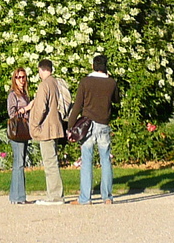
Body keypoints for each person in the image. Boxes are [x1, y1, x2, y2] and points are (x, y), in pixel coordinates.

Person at [69, 53, 121, 204]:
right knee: (106, 160)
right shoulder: (111, 83)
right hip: (103, 124)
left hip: (88, 125)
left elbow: (78, 105)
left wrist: (70, 126)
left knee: (87, 160)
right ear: (105, 67)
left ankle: (85, 198)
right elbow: (117, 100)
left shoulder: (85, 82)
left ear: (93, 66)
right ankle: (107, 197)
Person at [27, 58, 70, 205]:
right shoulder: (56, 83)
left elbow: (41, 108)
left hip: (46, 129)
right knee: (53, 161)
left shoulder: (44, 85)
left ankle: (55, 196)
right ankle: (55, 194)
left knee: (50, 163)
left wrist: (34, 125)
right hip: (56, 126)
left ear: (41, 70)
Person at [6, 67, 32, 204]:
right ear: (14, 79)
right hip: (17, 130)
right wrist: (26, 109)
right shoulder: (13, 95)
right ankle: (19, 196)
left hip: (25, 131)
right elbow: (12, 115)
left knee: (19, 162)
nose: (21, 80)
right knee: (19, 163)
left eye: (23, 77)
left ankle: (15, 196)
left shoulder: (25, 95)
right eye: (18, 77)